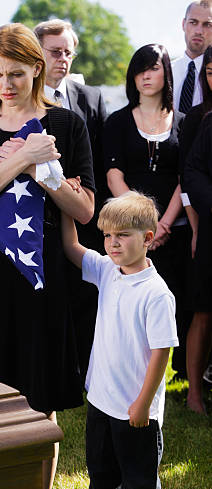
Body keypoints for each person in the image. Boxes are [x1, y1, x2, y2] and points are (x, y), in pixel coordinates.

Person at [0, 23, 95, 489]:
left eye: (16, 74)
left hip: (41, 278)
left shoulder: (68, 125)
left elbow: (86, 209)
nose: (6, 85)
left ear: (37, 67)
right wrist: (19, 158)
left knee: (39, 400)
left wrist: (43, 169)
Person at [62, 192, 178, 489]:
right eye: (108, 235)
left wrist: (143, 405)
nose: (113, 243)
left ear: (147, 238)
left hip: (135, 414)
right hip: (100, 403)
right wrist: (62, 196)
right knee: (100, 478)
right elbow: (71, 246)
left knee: (138, 487)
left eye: (123, 235)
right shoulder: (108, 272)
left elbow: (161, 353)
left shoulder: (156, 294)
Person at [104, 44, 188, 379]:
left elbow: (186, 178)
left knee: (175, 301)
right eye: (139, 70)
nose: (146, 76)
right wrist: (144, 223)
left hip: (175, 228)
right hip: (131, 231)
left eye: (153, 68)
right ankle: (130, 369)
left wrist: (164, 223)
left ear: (166, 72)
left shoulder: (183, 123)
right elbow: (113, 175)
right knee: (130, 304)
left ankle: (173, 373)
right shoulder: (117, 121)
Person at [34, 18, 108, 381]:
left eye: (68, 52)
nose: (63, 59)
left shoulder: (89, 97)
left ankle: (84, 369)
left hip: (85, 211)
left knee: (85, 295)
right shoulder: (25, 100)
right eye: (55, 51)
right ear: (37, 53)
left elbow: (100, 152)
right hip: (40, 212)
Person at [181, 46, 212, 413]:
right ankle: (193, 394)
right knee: (204, 310)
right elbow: (192, 172)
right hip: (210, 230)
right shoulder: (206, 123)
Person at [172, 1, 212, 113]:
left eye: (207, 24)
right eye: (193, 22)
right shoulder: (166, 72)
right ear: (183, 24)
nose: (199, 31)